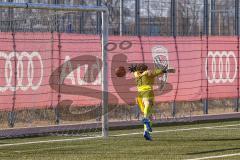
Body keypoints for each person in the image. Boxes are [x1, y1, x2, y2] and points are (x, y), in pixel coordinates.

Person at [129, 63, 175, 141]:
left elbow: (135, 71)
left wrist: (134, 70)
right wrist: (165, 70)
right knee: (147, 104)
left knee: (150, 117)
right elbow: (155, 72)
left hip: (139, 95)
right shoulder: (147, 73)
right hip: (147, 92)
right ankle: (145, 118)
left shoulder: (136, 74)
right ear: (145, 69)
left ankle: (146, 132)